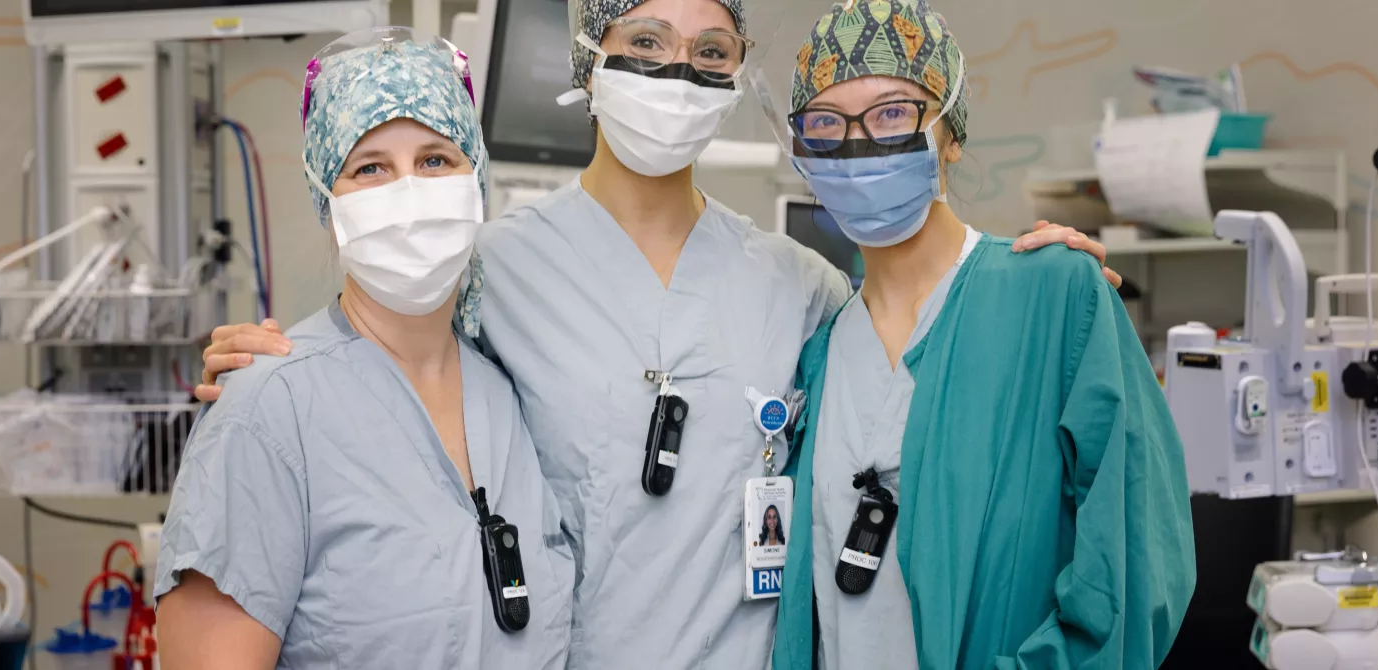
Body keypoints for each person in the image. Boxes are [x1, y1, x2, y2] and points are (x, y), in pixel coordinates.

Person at [192, 1, 1120, 667]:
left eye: (710, 49)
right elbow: (382, 352)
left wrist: (1028, 277)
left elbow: (914, 343)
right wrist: (270, 370)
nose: (679, 71)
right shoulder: (485, 273)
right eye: (646, 40)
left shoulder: (805, 288)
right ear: (592, 54)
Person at [769, 2, 1197, 669]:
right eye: (826, 124)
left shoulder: (1054, 296)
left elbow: (1138, 564)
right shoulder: (819, 352)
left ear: (950, 131)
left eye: (891, 113)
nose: (857, 145)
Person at [153, 30, 573, 669]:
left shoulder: (507, 393)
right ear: (328, 200)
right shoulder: (268, 408)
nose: (409, 190)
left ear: (476, 179)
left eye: (436, 159)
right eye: (370, 167)